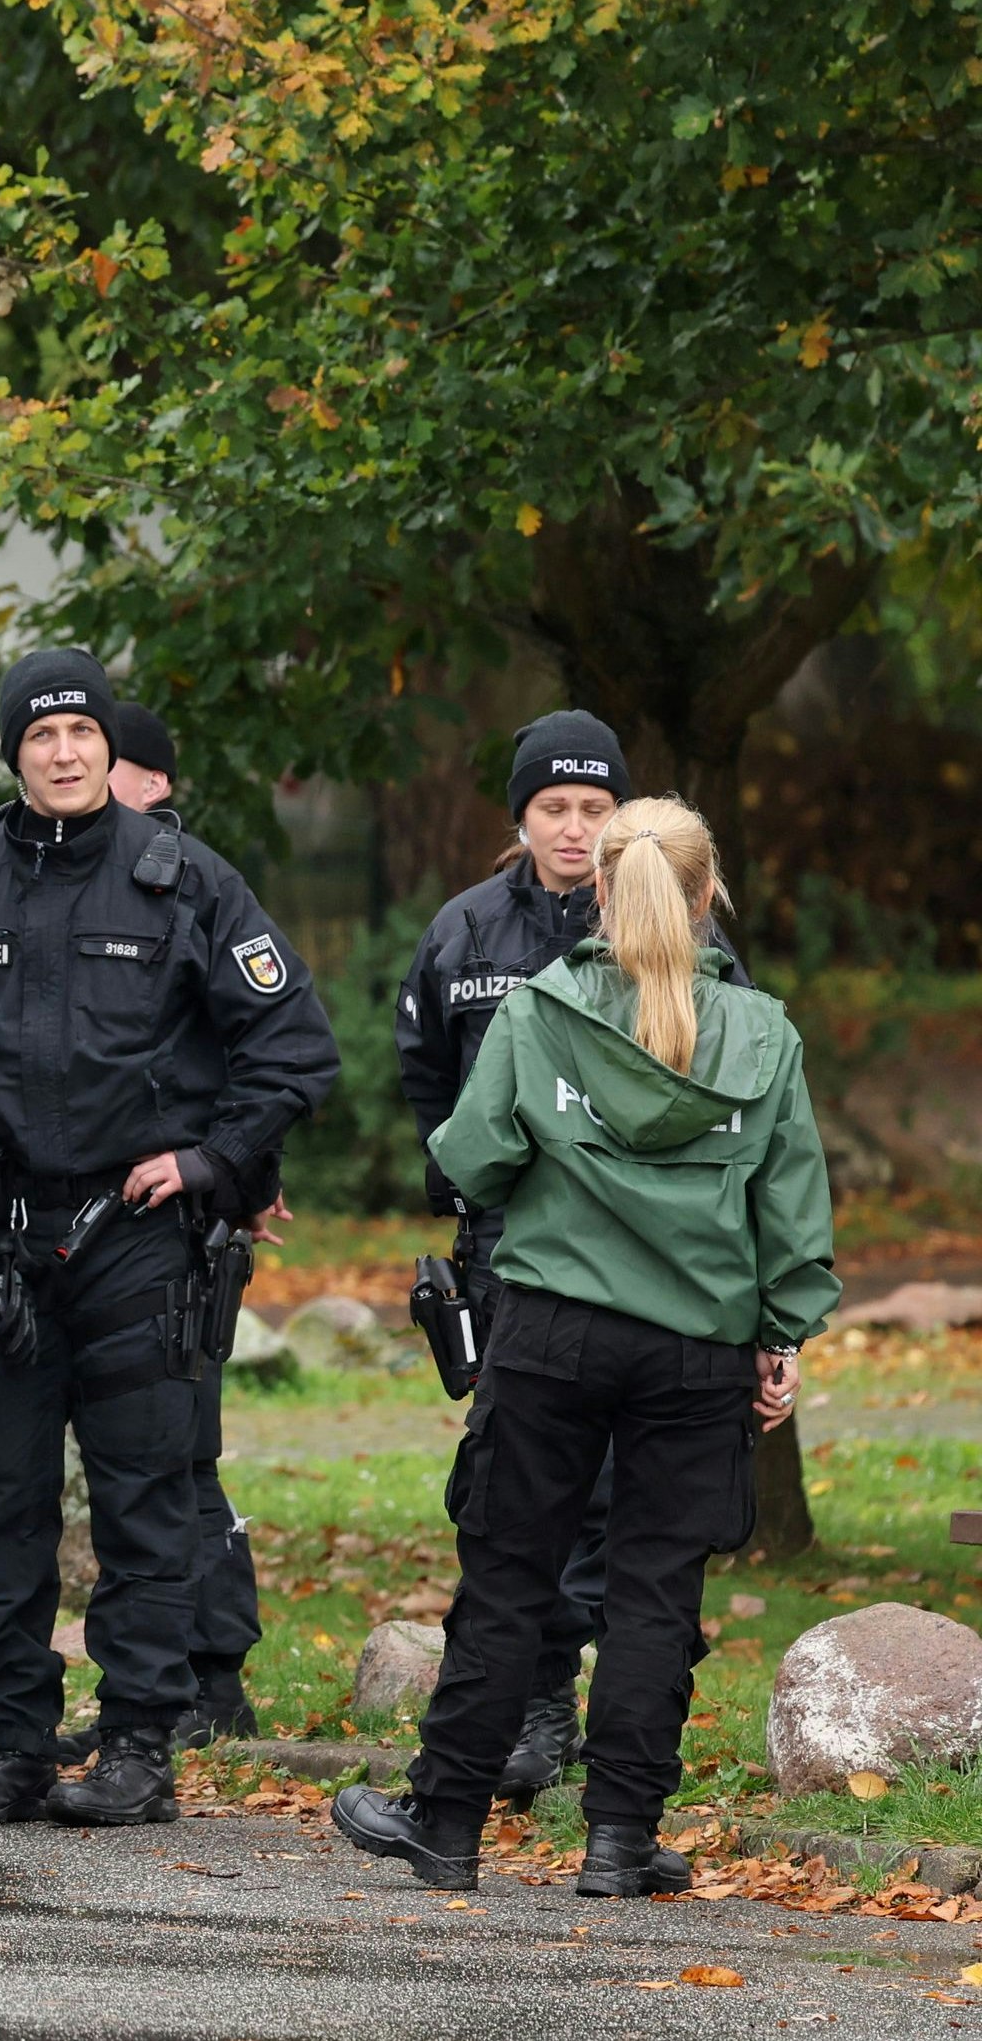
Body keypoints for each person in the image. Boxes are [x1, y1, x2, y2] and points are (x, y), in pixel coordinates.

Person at [0, 653, 339, 1828]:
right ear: (11, 751)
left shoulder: (186, 879)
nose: (62, 752)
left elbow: (290, 1046)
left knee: (145, 1501)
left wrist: (209, 1162)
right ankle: (13, 1748)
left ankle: (137, 1749)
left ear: (109, 748)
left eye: (81, 733)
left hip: (136, 1240)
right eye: (40, 734)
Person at [336, 798, 833, 1894]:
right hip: (698, 1345)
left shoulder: (540, 1009)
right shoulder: (763, 1032)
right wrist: (780, 1337)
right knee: (655, 1592)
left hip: (553, 1330)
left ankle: (446, 1821)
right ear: (706, 895)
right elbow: (793, 1216)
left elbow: (471, 1160)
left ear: (599, 889)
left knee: (509, 1574)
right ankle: (618, 1839)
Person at [392, 710, 744, 1803]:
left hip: (651, 1262)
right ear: (522, 817)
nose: (575, 827)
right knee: (516, 1494)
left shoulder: (685, 935)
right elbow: (427, 1077)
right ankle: (537, 1710)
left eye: (596, 807)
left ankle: (619, 1734)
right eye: (554, 806)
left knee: (631, 1501)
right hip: (513, 1254)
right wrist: (465, 1182)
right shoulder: (463, 932)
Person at [106, 702, 264, 1745]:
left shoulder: (190, 886)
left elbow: (256, 1047)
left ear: (154, 782)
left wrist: (241, 1175)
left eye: (104, 758)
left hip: (184, 1220)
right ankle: (180, 1680)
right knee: (159, 1456)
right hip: (119, 1223)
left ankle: (213, 1681)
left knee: (180, 1454)